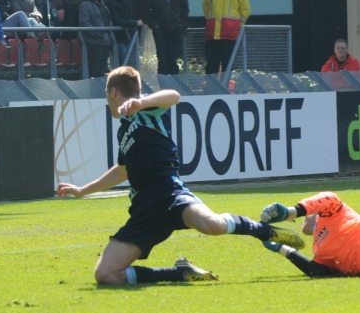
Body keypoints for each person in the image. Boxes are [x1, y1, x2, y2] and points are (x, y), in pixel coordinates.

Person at [57, 66, 304, 284]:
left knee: (213, 225)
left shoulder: (148, 110)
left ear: (113, 92)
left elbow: (173, 96)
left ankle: (263, 231)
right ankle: (179, 273)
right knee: (106, 275)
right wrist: (82, 190)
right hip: (143, 209)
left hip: (169, 194)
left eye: (107, 96)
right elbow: (123, 171)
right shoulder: (123, 131)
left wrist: (140, 103)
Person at [202, 0, 250, 76]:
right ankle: (211, 90)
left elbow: (245, 10)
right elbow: (206, 9)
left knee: (227, 65)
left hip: (229, 35)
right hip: (213, 35)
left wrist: (237, 25)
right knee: (211, 65)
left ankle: (226, 89)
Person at [143, 0, 189, 75]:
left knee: (173, 59)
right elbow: (145, 10)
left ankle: (174, 86)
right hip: (160, 29)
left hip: (175, 28)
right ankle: (163, 88)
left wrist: (181, 24)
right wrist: (155, 25)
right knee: (162, 59)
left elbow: (185, 7)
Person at [78, 0, 114, 78]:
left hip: (105, 42)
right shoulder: (85, 5)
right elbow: (84, 22)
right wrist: (97, 33)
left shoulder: (103, 5)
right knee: (93, 71)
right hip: (93, 43)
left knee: (101, 71)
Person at [105, 0, 142, 67]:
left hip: (129, 35)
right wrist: (134, 23)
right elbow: (116, 20)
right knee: (123, 63)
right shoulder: (110, 1)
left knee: (133, 63)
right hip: (118, 37)